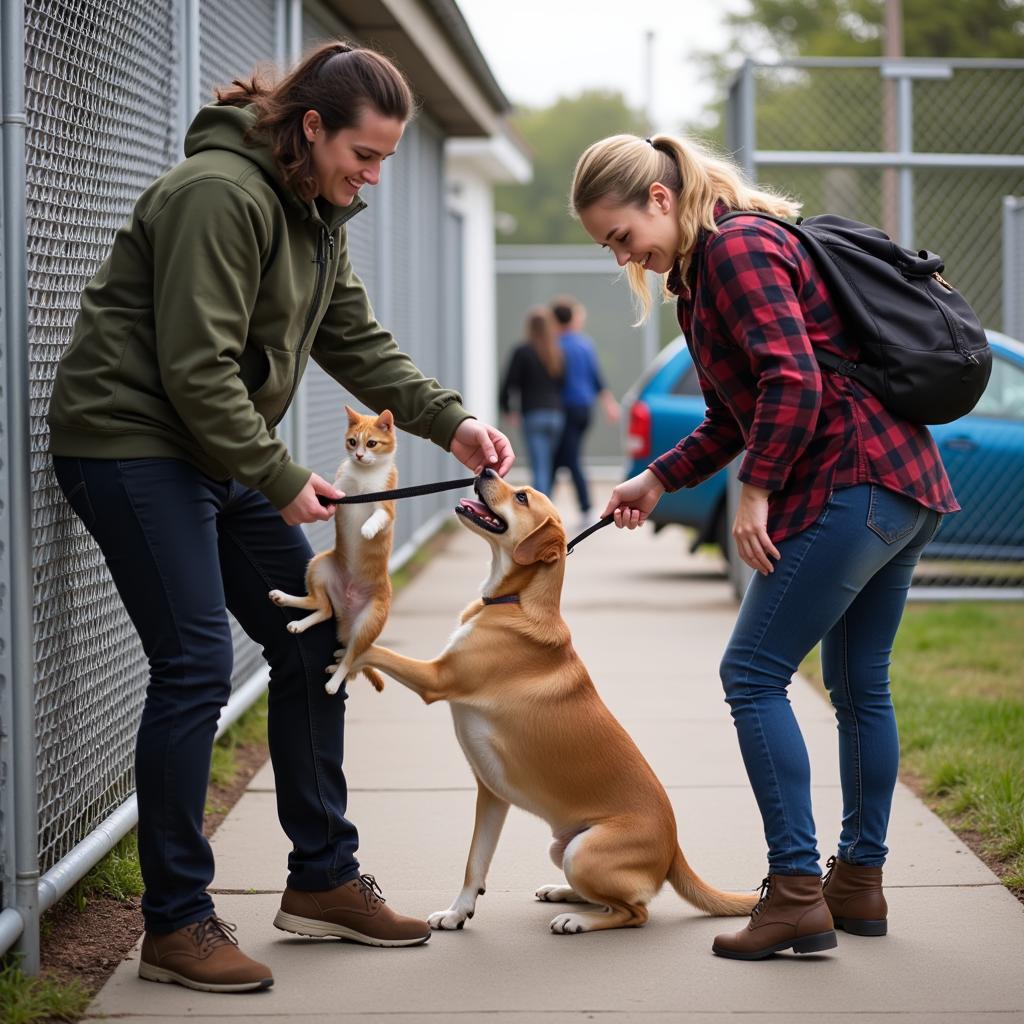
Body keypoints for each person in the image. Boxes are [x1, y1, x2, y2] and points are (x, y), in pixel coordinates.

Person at [46, 41, 513, 993]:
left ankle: (323, 881)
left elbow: (356, 340)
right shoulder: (220, 195)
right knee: (193, 665)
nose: (373, 176)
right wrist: (277, 472)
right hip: (129, 441)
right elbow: (195, 366)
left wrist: (452, 422)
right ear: (312, 127)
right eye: (366, 155)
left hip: (211, 449)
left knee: (317, 640)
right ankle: (175, 924)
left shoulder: (314, 209)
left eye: (387, 159)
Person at [571, 133, 958, 960]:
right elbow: (731, 415)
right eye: (607, 245)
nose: (619, 254)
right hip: (897, 486)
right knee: (860, 688)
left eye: (618, 233)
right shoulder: (701, 279)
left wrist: (757, 488)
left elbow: (795, 380)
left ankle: (793, 894)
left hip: (854, 484)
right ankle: (857, 883)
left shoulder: (739, 246)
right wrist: (656, 480)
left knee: (751, 676)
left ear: (661, 199)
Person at [549, 296, 619, 526]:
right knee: (561, 457)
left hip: (566, 409)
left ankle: (586, 507)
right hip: (585, 409)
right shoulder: (585, 344)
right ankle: (543, 504)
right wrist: (609, 404)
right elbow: (597, 377)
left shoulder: (555, 345)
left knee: (568, 458)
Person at [498, 306, 564, 494]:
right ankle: (547, 505)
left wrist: (506, 409)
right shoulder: (556, 351)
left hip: (533, 415)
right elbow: (563, 383)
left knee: (539, 468)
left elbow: (509, 383)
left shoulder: (522, 351)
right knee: (549, 466)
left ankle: (541, 512)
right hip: (556, 416)